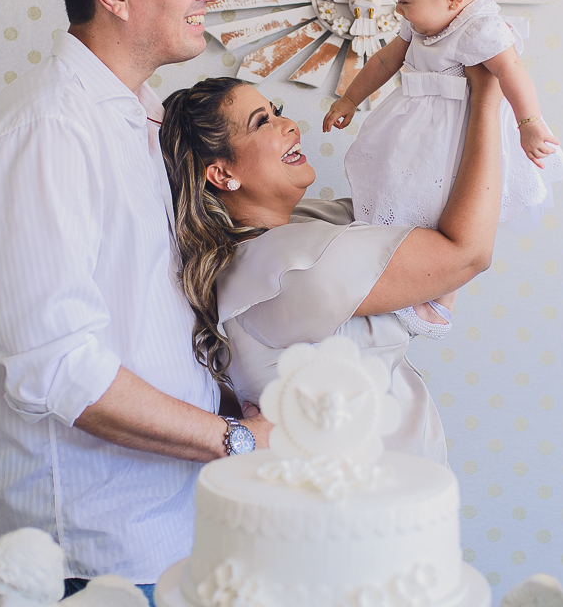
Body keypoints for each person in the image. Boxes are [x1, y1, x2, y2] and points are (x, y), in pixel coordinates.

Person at [0, 0, 270, 605]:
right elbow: (58, 366)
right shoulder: (48, 133)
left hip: (175, 532)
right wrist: (242, 440)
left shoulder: (144, 119)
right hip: (94, 551)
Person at [159, 69, 505, 464]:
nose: (288, 124)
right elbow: (467, 253)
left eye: (277, 110)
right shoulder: (289, 264)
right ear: (223, 174)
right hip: (360, 507)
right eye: (262, 122)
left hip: (390, 497)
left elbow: (420, 205)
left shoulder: (299, 228)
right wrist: (487, 97)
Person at [322, 0, 563, 339]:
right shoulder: (421, 21)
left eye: (404, 0)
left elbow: (512, 73)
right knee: (397, 195)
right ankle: (404, 273)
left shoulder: (482, 28)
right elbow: (385, 60)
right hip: (415, 131)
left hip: (456, 140)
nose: (397, 8)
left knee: (449, 213)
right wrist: (349, 98)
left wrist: (528, 122)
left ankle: (443, 291)